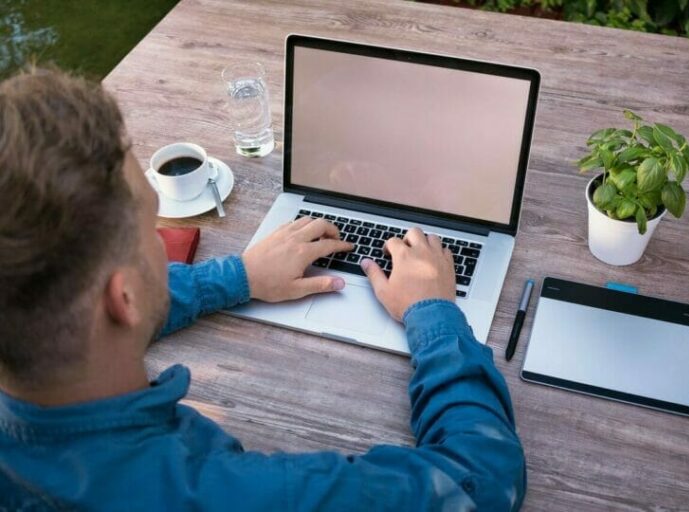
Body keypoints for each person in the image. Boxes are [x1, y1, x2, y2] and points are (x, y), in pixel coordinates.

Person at [0, 67, 525, 511]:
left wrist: (239, 276)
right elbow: (482, 477)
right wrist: (433, 313)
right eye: (150, 232)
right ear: (125, 299)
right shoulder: (251, 495)